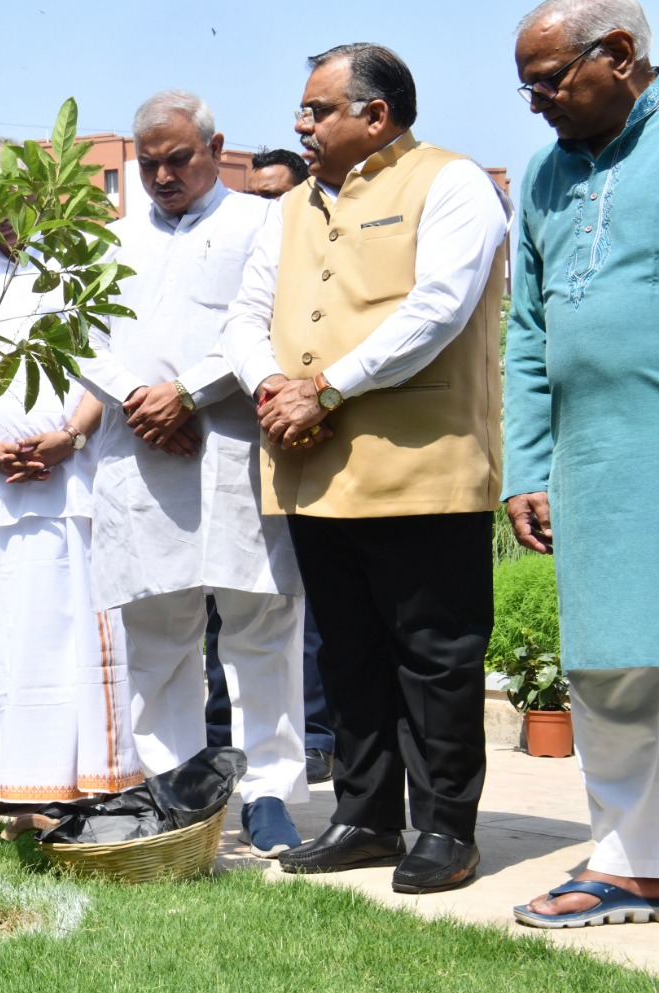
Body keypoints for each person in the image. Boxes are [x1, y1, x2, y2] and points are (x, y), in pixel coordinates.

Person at [222, 43, 510, 894]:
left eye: (317, 111)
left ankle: (446, 829)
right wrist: (269, 383)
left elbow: (440, 307)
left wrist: (327, 388)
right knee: (348, 653)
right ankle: (365, 817)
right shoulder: (294, 207)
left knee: (436, 654)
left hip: (420, 463)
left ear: (375, 114)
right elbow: (248, 313)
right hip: (314, 469)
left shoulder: (451, 182)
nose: (301, 126)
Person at [90, 91, 306, 857]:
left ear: (216, 147)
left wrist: (187, 393)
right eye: (147, 163)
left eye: (178, 158)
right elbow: (75, 330)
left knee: (259, 627)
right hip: (141, 457)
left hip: (236, 447)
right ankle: (174, 790)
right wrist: (135, 399)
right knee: (156, 633)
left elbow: (272, 321)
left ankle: (269, 791)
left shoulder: (263, 222)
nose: (162, 175)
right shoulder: (110, 238)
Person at [0, 139, 140, 810]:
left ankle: (97, 777)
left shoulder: (79, 263)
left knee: (80, 631)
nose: (7, 214)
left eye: (19, 196)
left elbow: (114, 361)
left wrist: (71, 435)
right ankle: (20, 777)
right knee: (11, 636)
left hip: (75, 484)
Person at [506, 0, 659, 929]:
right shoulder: (542, 174)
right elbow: (527, 331)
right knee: (609, 665)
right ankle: (630, 863)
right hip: (593, 457)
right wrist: (528, 465)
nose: (537, 104)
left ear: (622, 54)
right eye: (525, 88)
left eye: (551, 81)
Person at [205, 141, 336, 787]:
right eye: (257, 194)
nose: (267, 206)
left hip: (307, 427)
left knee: (290, 612)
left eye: (278, 194)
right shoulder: (240, 240)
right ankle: (216, 738)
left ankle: (312, 734)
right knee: (217, 613)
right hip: (241, 425)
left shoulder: (304, 240)